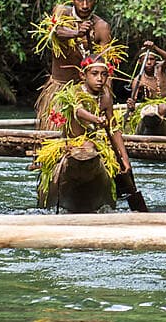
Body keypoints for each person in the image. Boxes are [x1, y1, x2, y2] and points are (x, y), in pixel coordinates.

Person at [40, 51, 145, 210]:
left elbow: (114, 127)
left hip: (96, 144)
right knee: (57, 163)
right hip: (74, 142)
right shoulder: (73, 91)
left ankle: (120, 193)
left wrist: (124, 158)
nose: (100, 79)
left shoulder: (106, 96)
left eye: (104, 74)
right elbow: (78, 110)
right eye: (94, 74)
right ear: (83, 75)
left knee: (116, 166)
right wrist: (96, 119)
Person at [34, 0, 112, 127]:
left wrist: (106, 98)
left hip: (86, 93)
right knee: (53, 138)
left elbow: (106, 68)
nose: (84, 5)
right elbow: (55, 31)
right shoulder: (61, 12)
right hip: (59, 89)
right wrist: (77, 33)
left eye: (89, 0)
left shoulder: (101, 27)